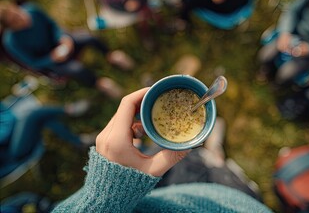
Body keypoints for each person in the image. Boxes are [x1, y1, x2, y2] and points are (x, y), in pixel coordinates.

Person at [51, 88, 273, 212]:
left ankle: (209, 154)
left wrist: (107, 191)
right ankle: (215, 156)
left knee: (178, 158)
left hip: (169, 195)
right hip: (235, 201)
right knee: (213, 167)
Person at [0, 0, 135, 99]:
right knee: (77, 69)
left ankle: (110, 55)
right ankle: (100, 83)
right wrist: (51, 58)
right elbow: (32, 63)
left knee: (90, 37)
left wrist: (62, 37)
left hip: (60, 41)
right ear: (10, 27)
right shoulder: (11, 42)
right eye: (15, 20)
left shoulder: (31, 10)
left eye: (17, 12)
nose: (21, 17)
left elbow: (52, 24)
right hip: (51, 59)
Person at [0, 77, 94, 168]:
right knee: (32, 115)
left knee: (43, 118)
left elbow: (5, 112)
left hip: (15, 137)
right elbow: (5, 132)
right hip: (14, 152)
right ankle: (70, 110)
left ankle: (79, 141)